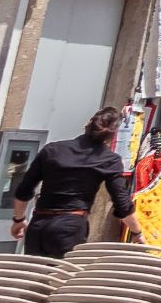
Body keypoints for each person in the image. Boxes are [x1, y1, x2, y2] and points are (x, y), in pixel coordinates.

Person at [10, 107, 135, 258]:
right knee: (61, 278)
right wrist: (137, 232)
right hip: (70, 227)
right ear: (112, 136)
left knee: (34, 278)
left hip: (39, 225)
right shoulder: (109, 160)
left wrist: (19, 219)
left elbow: (24, 190)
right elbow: (122, 204)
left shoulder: (52, 150)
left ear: (88, 124)